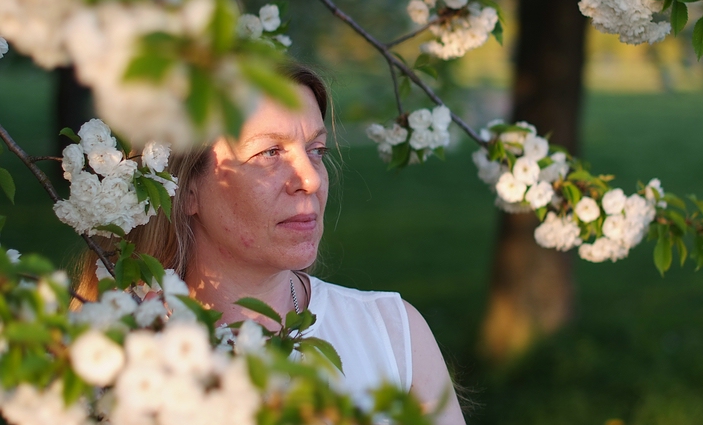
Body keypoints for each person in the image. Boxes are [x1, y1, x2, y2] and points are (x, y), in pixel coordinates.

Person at [77, 64, 466, 425]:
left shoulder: (392, 334)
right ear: (184, 189)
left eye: (317, 151)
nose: (310, 181)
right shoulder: (109, 353)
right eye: (269, 153)